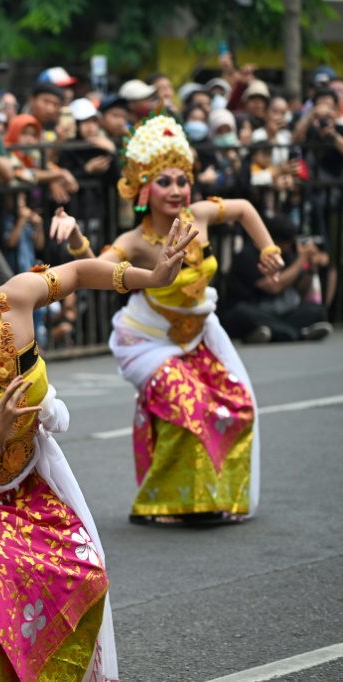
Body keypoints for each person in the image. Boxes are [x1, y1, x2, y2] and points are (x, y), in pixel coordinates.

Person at [0, 144, 197, 681]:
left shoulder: (16, 300)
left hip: (26, 475)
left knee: (79, 572)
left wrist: (150, 279)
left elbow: (76, 273)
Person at [53, 114, 285, 525]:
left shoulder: (200, 215)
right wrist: (74, 238)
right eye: (165, 181)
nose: (177, 190)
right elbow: (91, 268)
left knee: (239, 406)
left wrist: (267, 249)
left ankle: (213, 498)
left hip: (199, 334)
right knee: (190, 407)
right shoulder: (135, 241)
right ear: (144, 187)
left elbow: (246, 208)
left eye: (182, 180)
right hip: (147, 340)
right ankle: (163, 505)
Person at [222, 216, 332, 344]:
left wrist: (311, 269)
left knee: (316, 311)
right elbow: (274, 287)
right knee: (243, 313)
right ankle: (299, 334)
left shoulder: (287, 254)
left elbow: (301, 290)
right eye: (288, 243)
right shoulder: (247, 255)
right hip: (254, 308)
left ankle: (269, 332)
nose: (290, 246)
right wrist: (301, 260)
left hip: (279, 312)